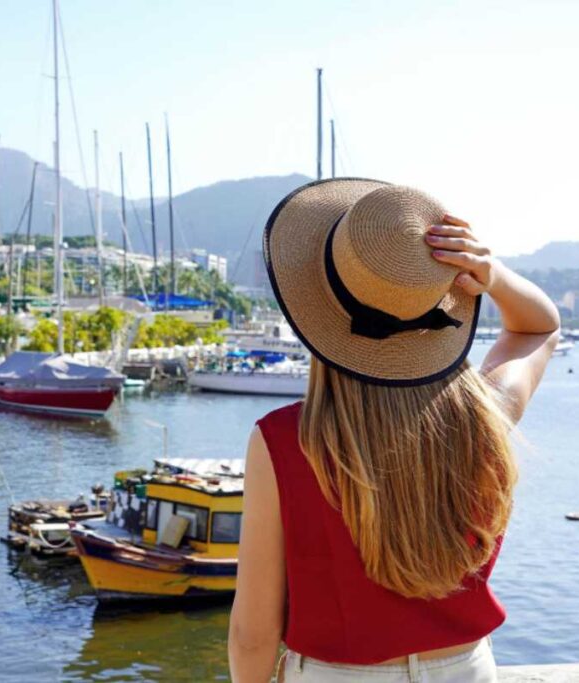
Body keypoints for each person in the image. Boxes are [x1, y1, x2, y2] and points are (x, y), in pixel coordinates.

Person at [228, 181, 560, 682]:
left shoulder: (285, 441)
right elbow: (538, 328)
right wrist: (491, 274)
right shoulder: (484, 417)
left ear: (316, 315)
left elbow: (253, 632)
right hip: (466, 671)